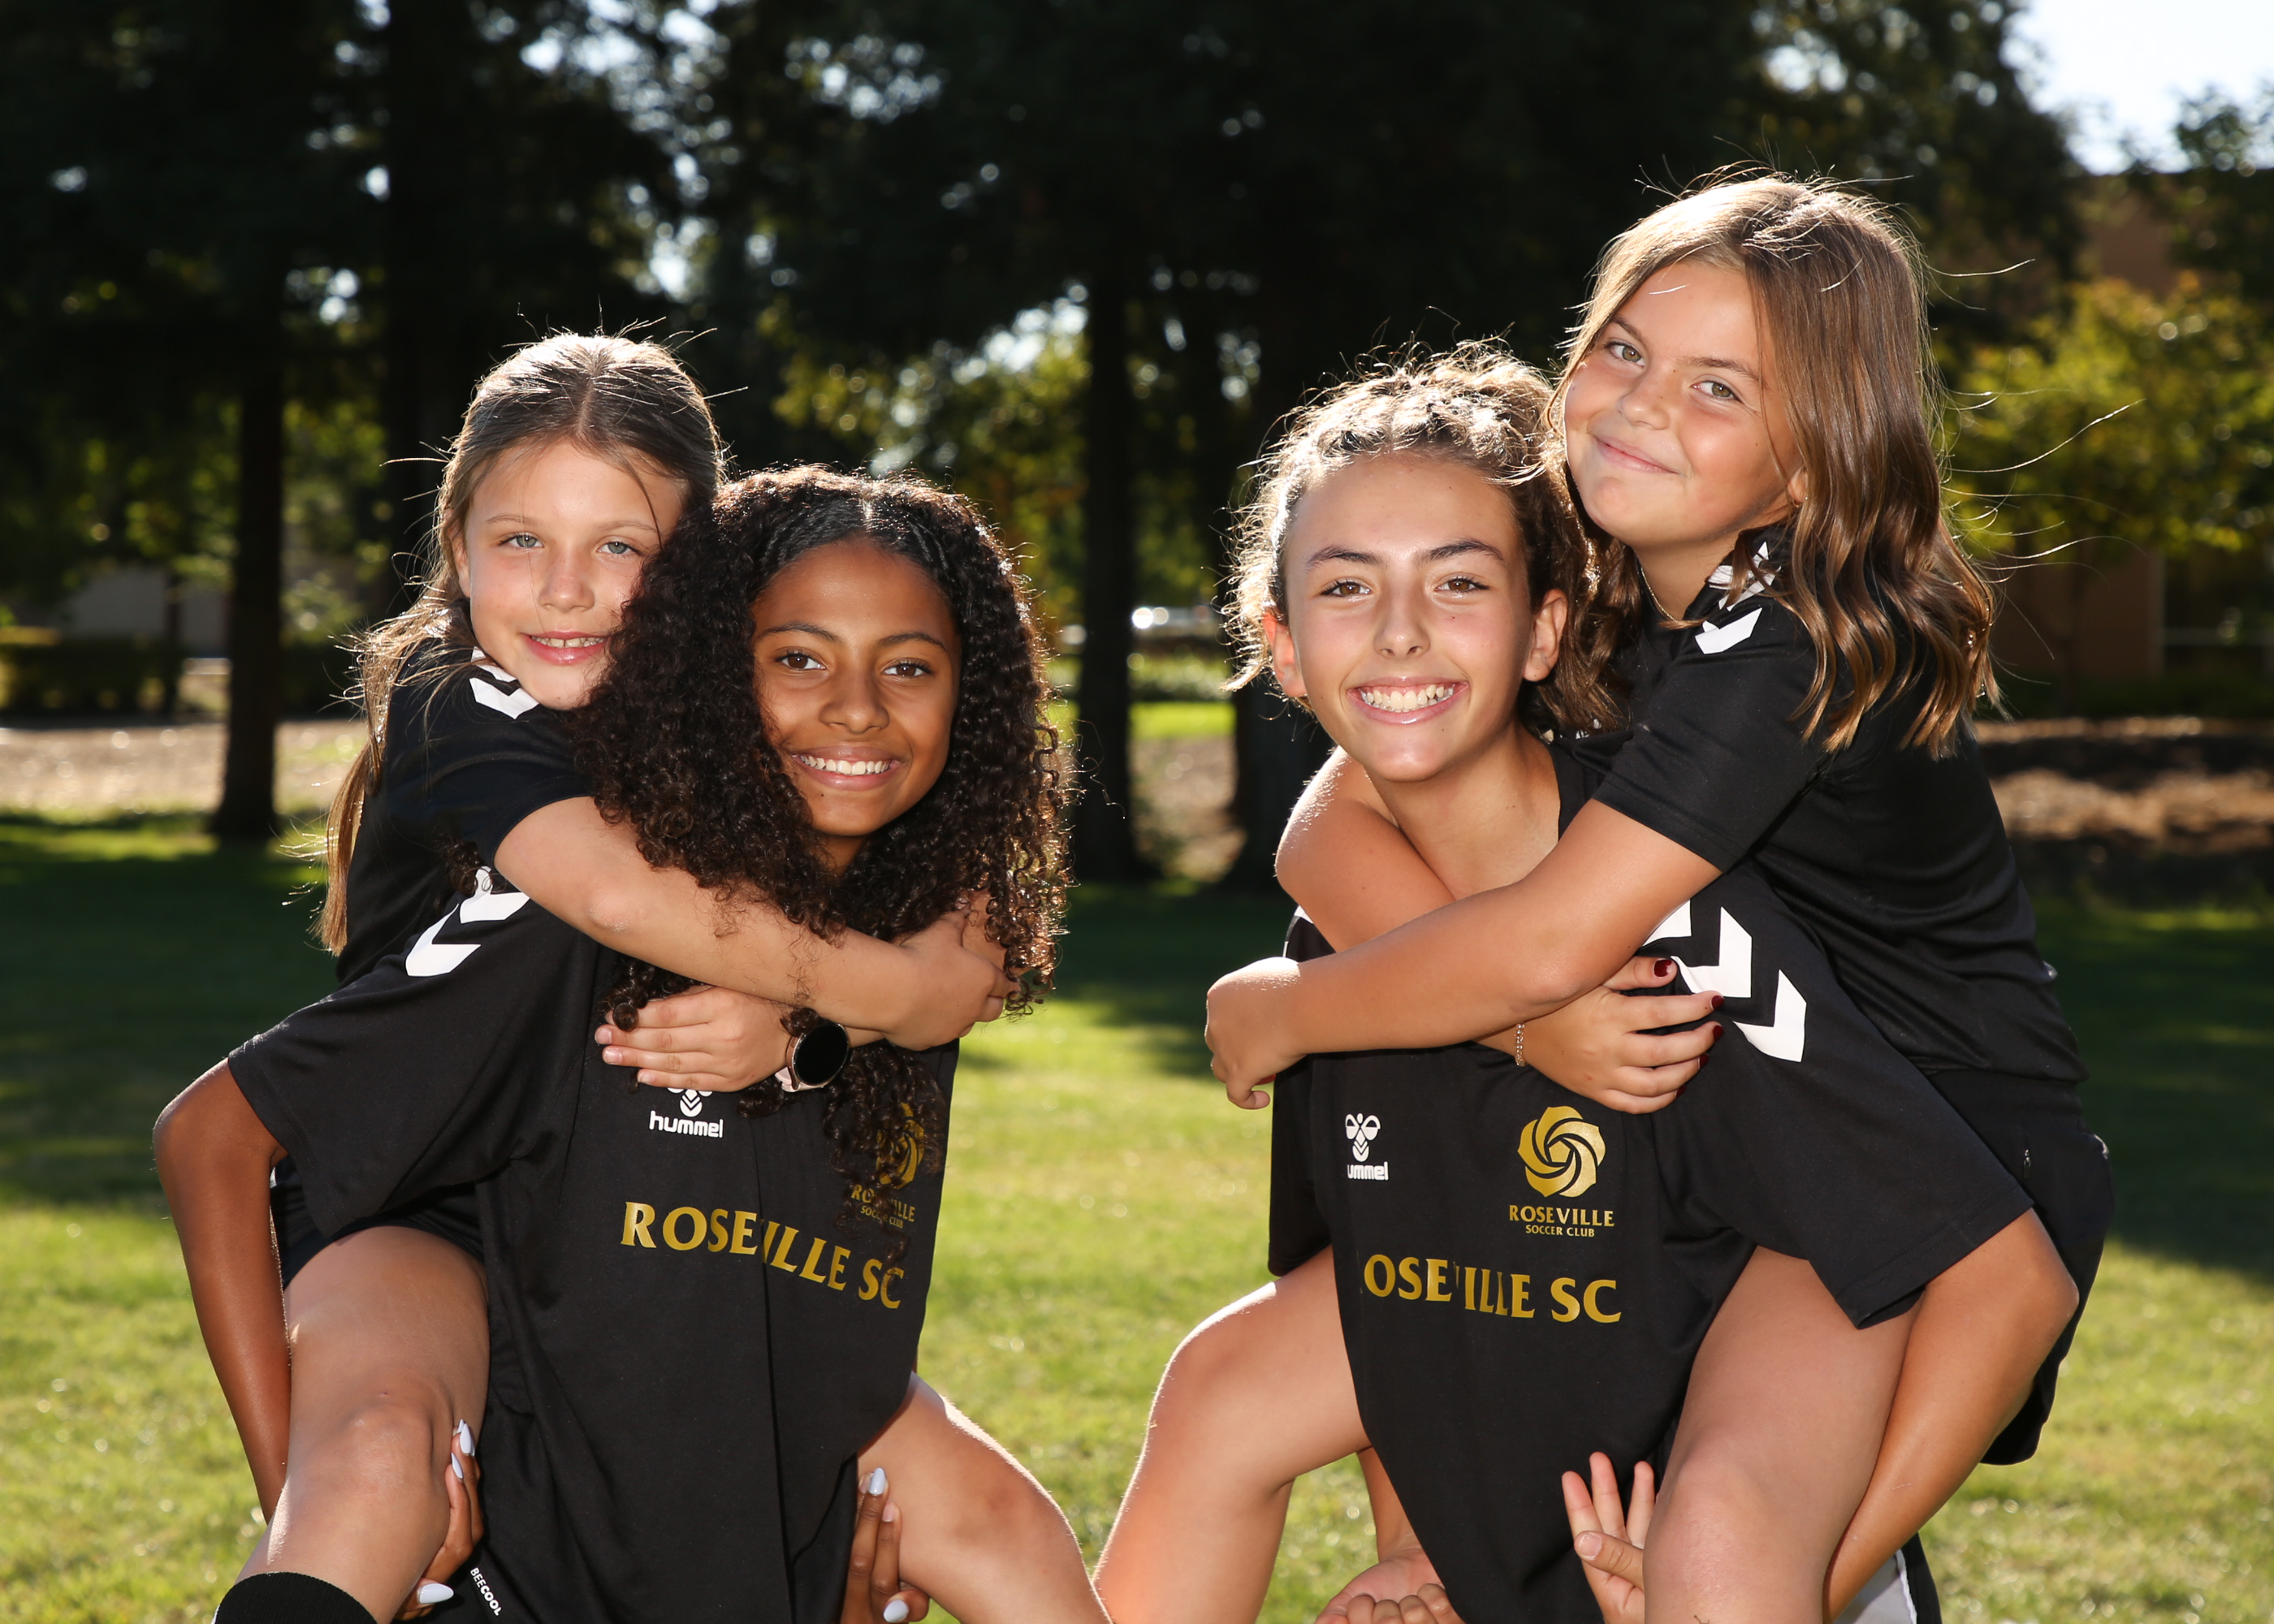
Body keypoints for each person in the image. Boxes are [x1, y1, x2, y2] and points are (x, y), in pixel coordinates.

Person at [1204, 178, 2107, 1622]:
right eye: (1623, 348)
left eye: (1719, 388)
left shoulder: (1790, 635)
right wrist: (1518, 1026)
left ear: (1818, 452)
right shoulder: (1618, 598)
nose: (1639, 405)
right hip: (1736, 1116)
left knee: (1730, 1542)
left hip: (1935, 1157)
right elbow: (1336, 813)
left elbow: (1556, 938)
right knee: (1241, 1394)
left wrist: (1297, 1009)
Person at [149, 333, 1012, 1624]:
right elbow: (609, 898)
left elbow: (967, 917)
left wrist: (808, 1023)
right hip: (427, 1218)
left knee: (989, 1519)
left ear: (705, 573)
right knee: (377, 1463)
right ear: (455, 549)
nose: (567, 591)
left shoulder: (747, 730)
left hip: (616, 1232)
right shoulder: (465, 702)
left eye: (622, 546)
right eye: (519, 541)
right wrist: (884, 996)